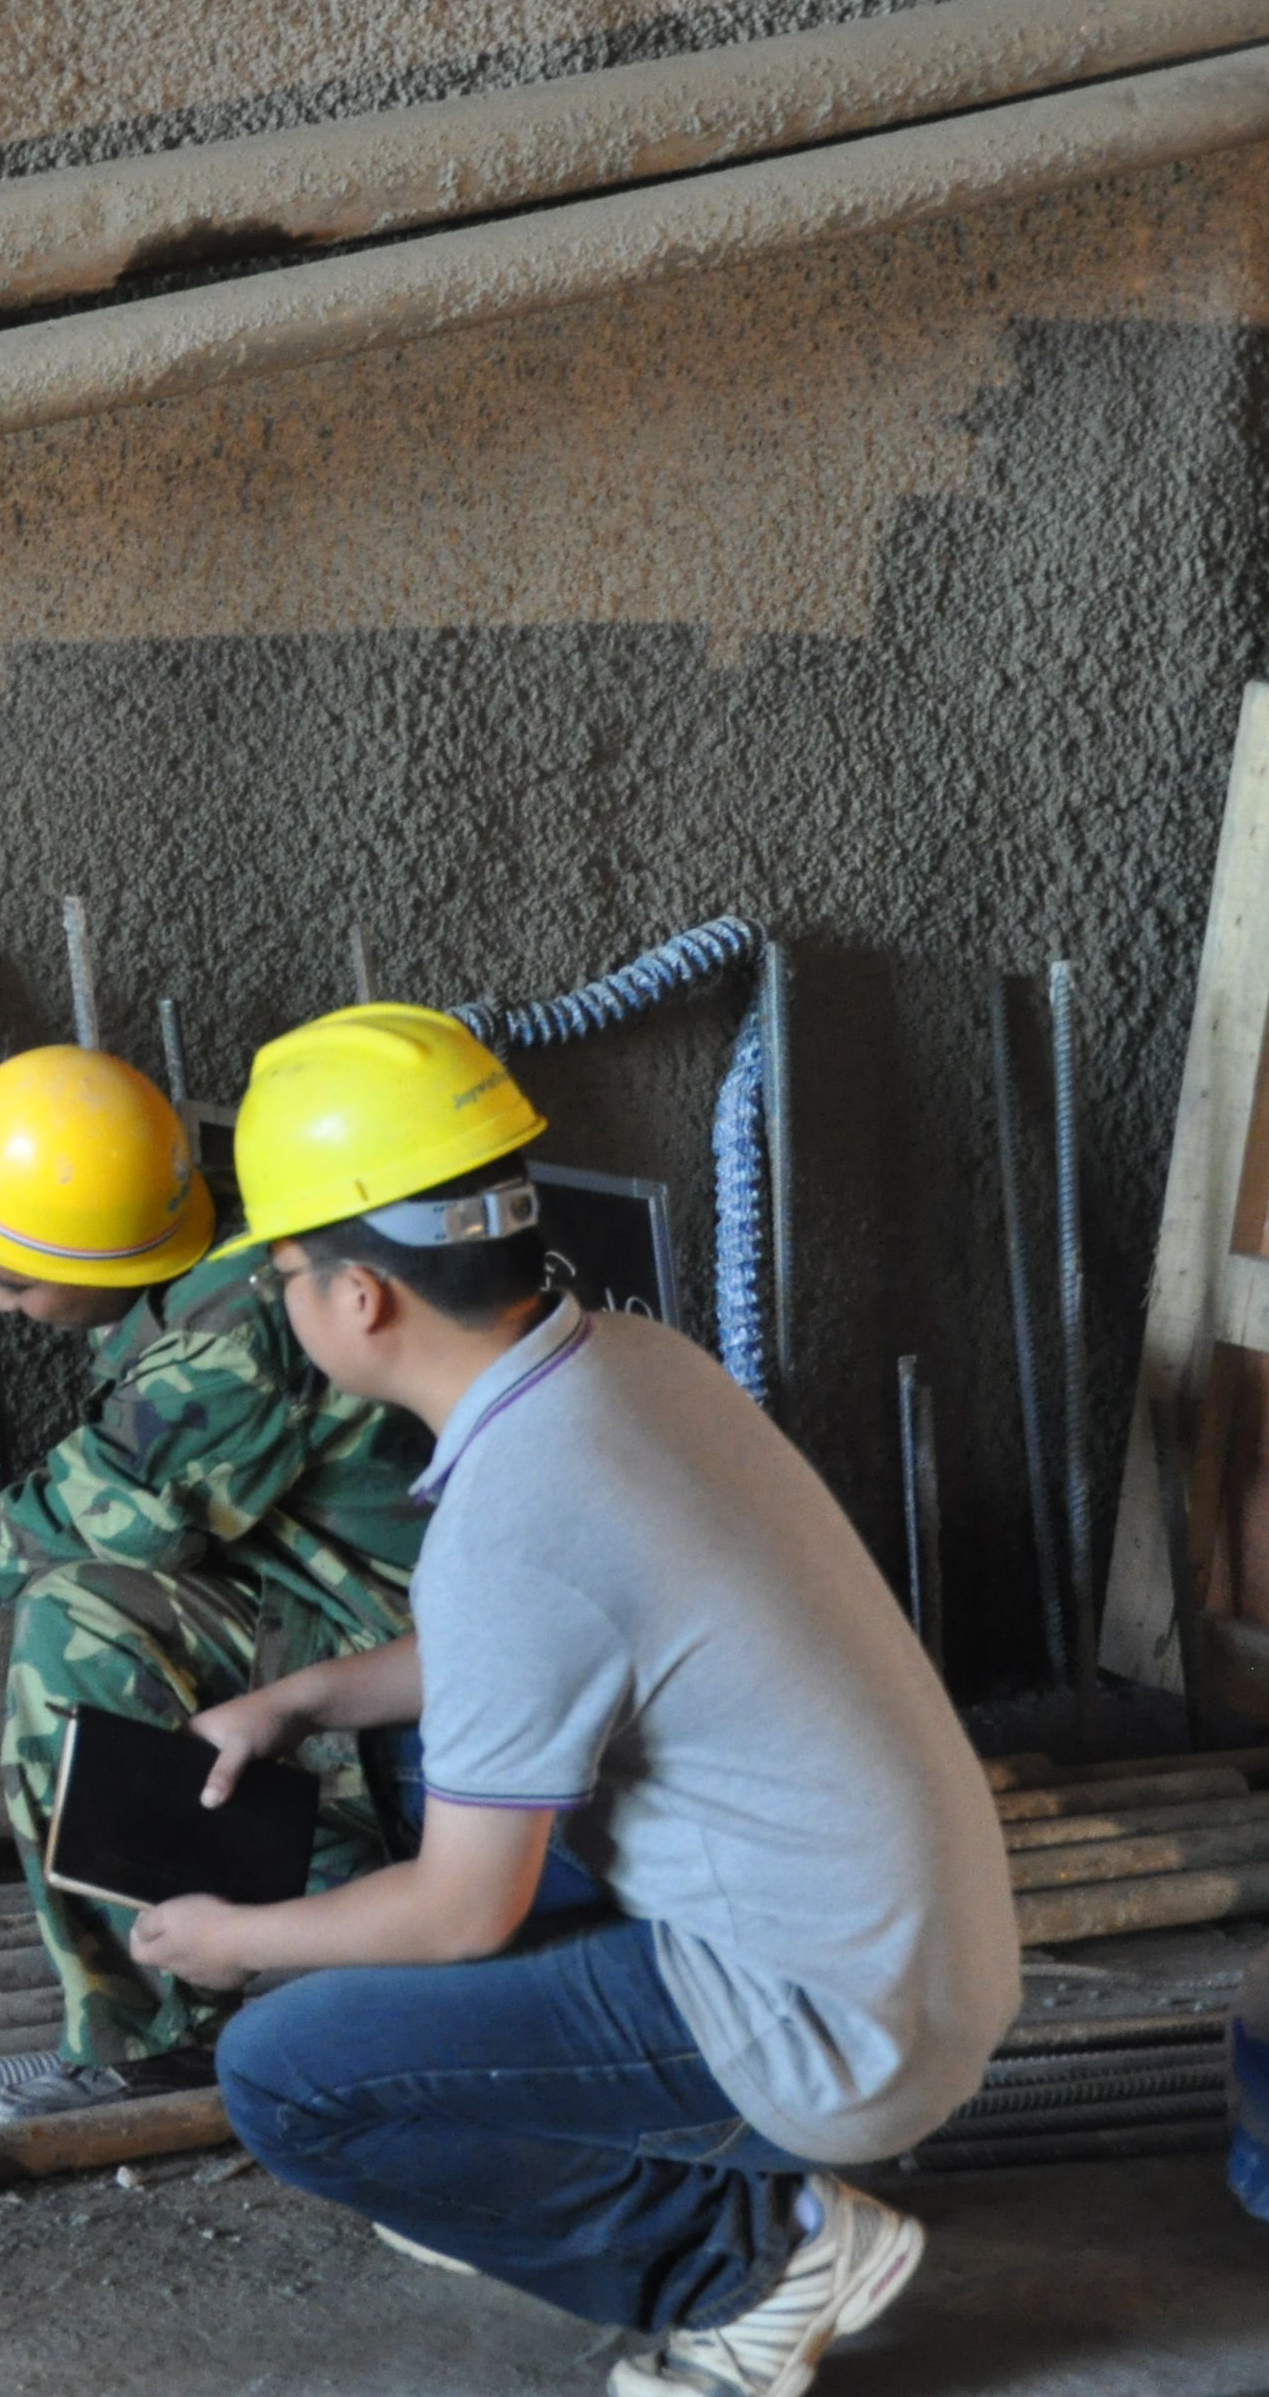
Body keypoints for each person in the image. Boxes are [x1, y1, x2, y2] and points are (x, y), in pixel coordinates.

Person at [136, 1004, 1017, 2397]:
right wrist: (300, 1701)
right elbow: (544, 1647)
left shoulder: (516, 1512)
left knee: (291, 2075)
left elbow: (457, 1909)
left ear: (359, 1299)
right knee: (436, 1774)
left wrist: (241, 1939)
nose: (284, 1301)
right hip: (905, 1957)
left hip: (821, 2026)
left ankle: (760, 2259)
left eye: (286, 1270)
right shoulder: (630, 1368)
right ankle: (527, 2166)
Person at [0, 1039, 434, 2074]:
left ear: (102, 1258)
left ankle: (159, 2032)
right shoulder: (225, 1187)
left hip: (397, 1658)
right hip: (312, 1580)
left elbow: (111, 1507)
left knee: (76, 1622)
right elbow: (95, 1148)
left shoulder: (230, 1339)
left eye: (10, 1280)